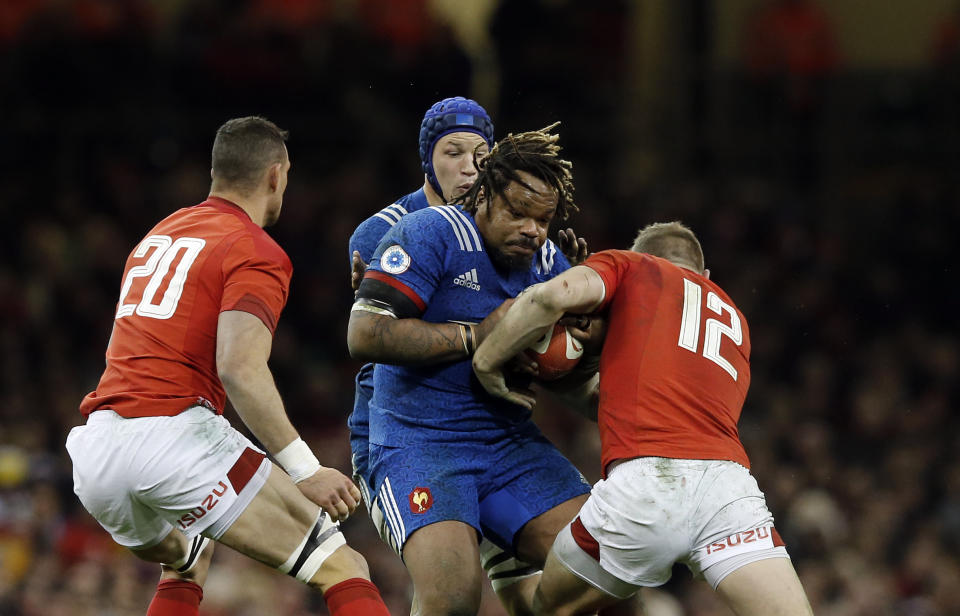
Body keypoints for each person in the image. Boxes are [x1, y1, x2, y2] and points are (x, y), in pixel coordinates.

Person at [65, 116, 390, 616]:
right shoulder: (255, 249)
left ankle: (184, 553)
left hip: (98, 451)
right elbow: (239, 367)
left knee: (186, 557)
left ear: (216, 172)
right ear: (276, 176)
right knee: (343, 567)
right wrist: (305, 470)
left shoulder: (160, 234)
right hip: (172, 438)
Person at [472, 221, 814, 615]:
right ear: (704, 277)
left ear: (642, 256)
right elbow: (636, 396)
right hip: (728, 491)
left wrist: (486, 361)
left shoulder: (633, 268)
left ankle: (501, 555)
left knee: (548, 608)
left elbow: (550, 298)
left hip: (647, 486)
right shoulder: (734, 318)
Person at [346, 123, 595, 616]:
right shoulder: (429, 232)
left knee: (607, 571)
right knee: (454, 598)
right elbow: (364, 334)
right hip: (418, 443)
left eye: (543, 220)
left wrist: (581, 340)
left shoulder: (548, 260)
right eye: (518, 213)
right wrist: (476, 337)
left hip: (508, 445)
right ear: (482, 197)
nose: (533, 230)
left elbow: (566, 365)